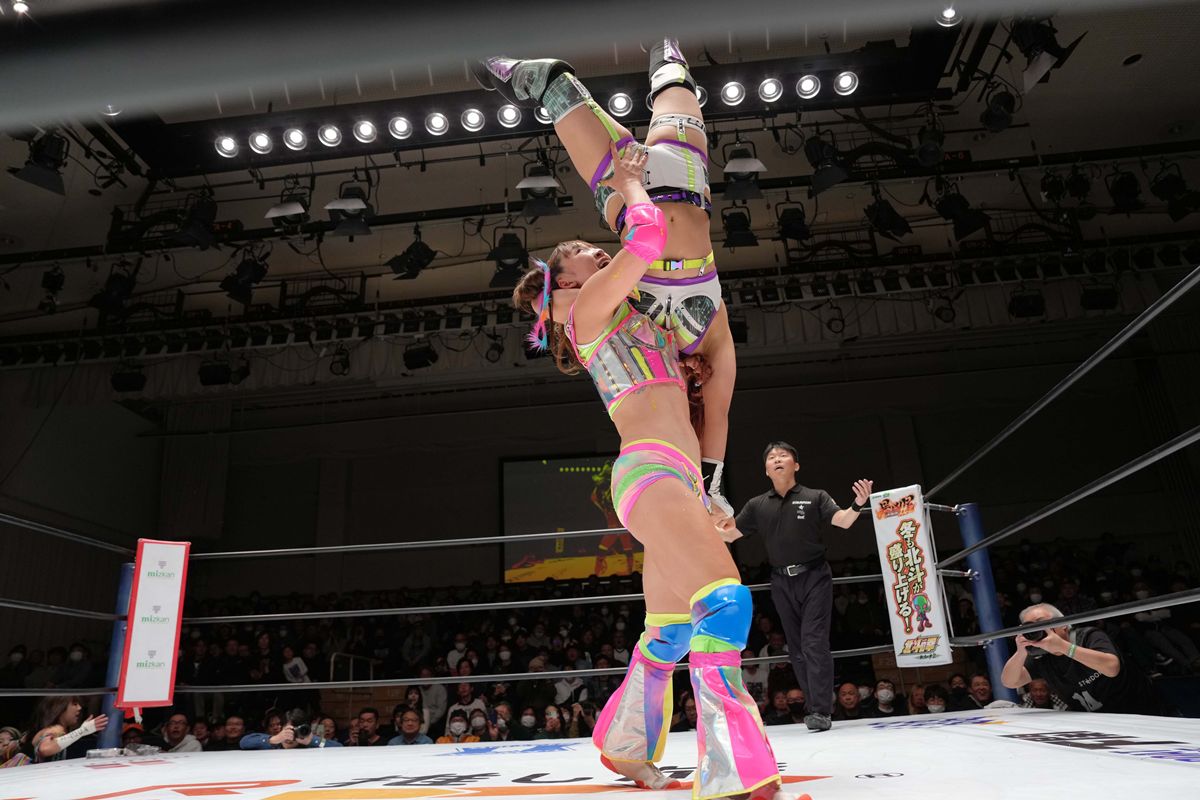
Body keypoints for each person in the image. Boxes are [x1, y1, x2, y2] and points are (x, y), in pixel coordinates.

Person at [509, 143, 785, 800]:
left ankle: (626, 746)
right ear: (565, 283)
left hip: (674, 479)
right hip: (651, 473)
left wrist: (709, 486)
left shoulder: (625, 314)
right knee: (725, 601)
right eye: (587, 253)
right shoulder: (586, 311)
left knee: (669, 630)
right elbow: (649, 237)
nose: (600, 253)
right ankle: (732, 768)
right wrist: (632, 184)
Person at [478, 38, 739, 517]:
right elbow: (718, 415)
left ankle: (510, 70)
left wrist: (628, 185)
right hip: (687, 173)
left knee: (554, 82)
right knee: (672, 69)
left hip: (623, 187)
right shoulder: (708, 335)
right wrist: (711, 492)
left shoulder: (621, 318)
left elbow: (554, 309)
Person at [717, 441, 873, 732]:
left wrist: (857, 503)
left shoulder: (815, 496)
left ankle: (821, 711)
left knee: (814, 642)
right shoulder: (757, 505)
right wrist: (702, 520)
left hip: (815, 576)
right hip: (780, 580)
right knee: (797, 648)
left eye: (783, 455)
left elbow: (842, 521)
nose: (777, 459)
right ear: (766, 470)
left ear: (796, 465)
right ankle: (814, 707)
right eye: (771, 457)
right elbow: (729, 535)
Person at [1001, 602, 1166, 714]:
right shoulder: (1041, 656)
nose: (1038, 629)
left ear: (1063, 623)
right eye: (1030, 627)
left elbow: (1111, 667)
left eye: (1041, 623)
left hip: (1140, 711)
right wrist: (1021, 651)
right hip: (1097, 722)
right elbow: (1010, 682)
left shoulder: (1088, 636)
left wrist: (1063, 647)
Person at [28, 696, 107, 763]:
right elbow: (44, 749)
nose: (79, 708)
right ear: (60, 708)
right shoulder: (55, 729)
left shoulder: (59, 729)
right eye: (74, 704)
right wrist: (83, 730)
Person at [240, 709, 341, 750]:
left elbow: (339, 747)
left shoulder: (311, 745)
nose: (292, 735)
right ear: (281, 728)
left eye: (296, 730)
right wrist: (272, 740)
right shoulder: (273, 742)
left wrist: (313, 740)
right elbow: (244, 742)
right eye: (288, 730)